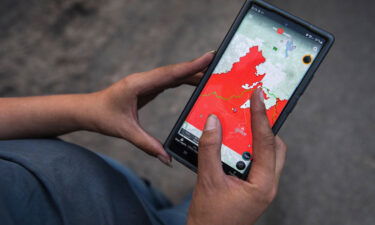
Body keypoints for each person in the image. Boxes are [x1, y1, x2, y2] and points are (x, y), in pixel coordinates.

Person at [0, 51, 287, 225]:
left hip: (108, 182)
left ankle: (190, 201)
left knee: (166, 198)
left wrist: (88, 108)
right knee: (203, 199)